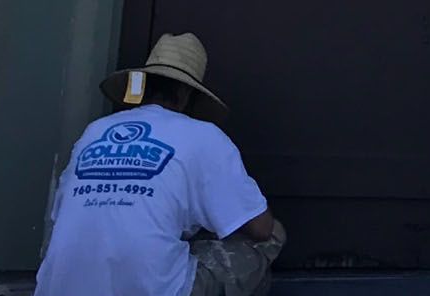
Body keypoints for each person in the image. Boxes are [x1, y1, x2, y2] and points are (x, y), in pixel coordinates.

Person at [35, 32, 285, 296]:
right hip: (153, 288)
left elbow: (61, 215)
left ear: (143, 84)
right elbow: (261, 228)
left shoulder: (95, 131)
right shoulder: (204, 135)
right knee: (271, 237)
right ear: (186, 92)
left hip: (60, 287)